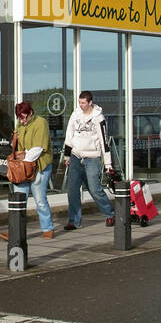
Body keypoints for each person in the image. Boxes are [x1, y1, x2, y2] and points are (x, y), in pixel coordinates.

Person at [0, 101, 55, 241]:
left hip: (39, 166)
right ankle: (14, 231)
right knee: (18, 201)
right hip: (23, 166)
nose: (22, 120)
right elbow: (16, 143)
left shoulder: (41, 123)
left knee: (40, 199)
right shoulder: (20, 124)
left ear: (30, 113)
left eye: (24, 117)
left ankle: (47, 228)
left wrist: (23, 162)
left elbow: (39, 148)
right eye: (19, 118)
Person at [63, 90, 116, 228]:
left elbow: (104, 142)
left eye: (83, 103)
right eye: (79, 102)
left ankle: (111, 214)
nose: (81, 105)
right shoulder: (75, 115)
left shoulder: (99, 118)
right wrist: (67, 156)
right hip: (76, 155)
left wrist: (108, 164)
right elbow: (69, 135)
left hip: (92, 157)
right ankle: (74, 221)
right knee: (72, 190)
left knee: (94, 189)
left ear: (90, 102)